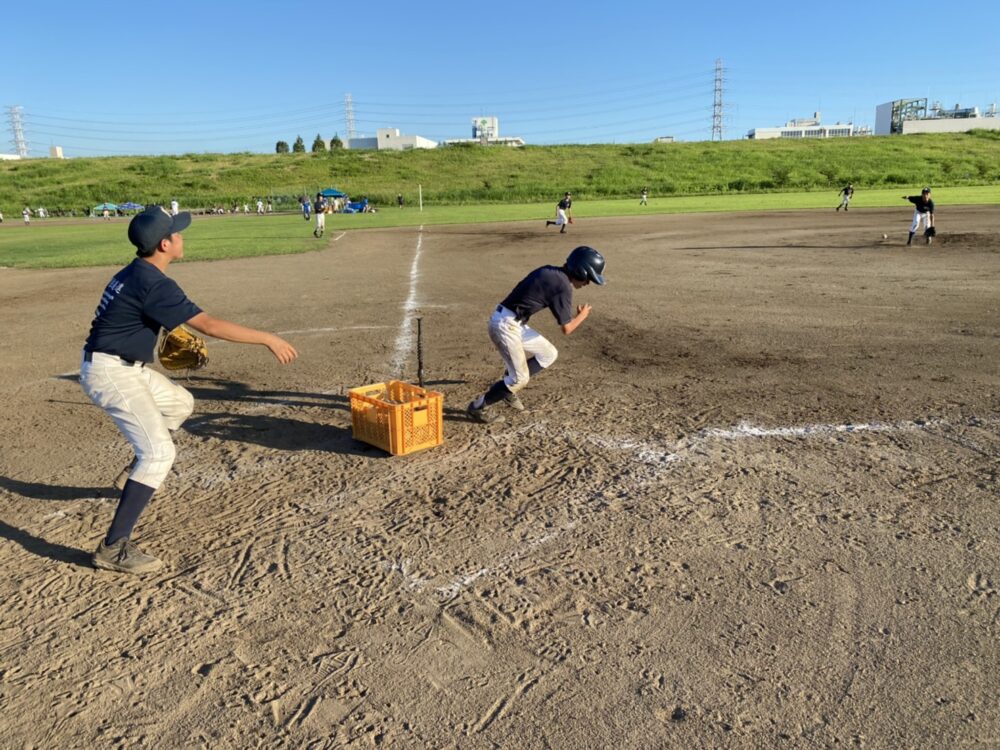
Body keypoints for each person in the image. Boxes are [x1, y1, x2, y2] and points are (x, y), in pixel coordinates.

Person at [79, 205, 298, 574]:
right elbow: (208, 324)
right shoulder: (153, 282)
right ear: (165, 244)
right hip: (111, 373)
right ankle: (113, 548)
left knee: (180, 403)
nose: (182, 236)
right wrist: (267, 338)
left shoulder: (136, 272)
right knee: (159, 454)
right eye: (177, 233)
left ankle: (132, 473)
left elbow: (131, 317)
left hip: (121, 365)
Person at [467, 246, 606, 424]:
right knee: (520, 378)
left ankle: (509, 385)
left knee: (548, 353)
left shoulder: (550, 270)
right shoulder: (563, 286)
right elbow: (567, 329)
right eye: (588, 278)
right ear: (580, 271)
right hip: (505, 326)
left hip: (511, 321)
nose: (587, 283)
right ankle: (478, 407)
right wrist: (582, 316)